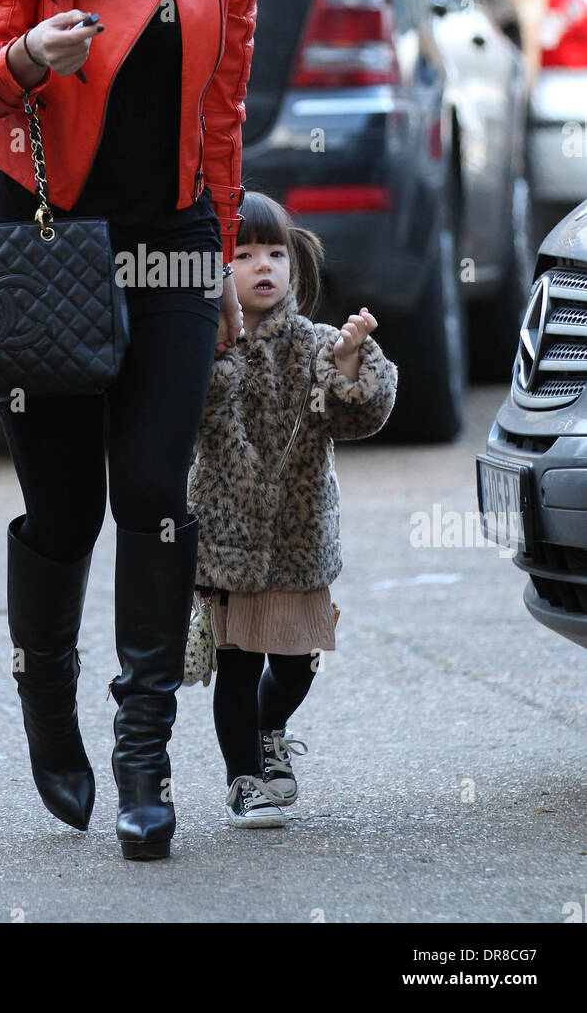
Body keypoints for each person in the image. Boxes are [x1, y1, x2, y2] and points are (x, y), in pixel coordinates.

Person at [0, 0, 260, 861]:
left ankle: (145, 752)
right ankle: (47, 698)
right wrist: (29, 56)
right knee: (66, 508)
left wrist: (223, 253)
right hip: (41, 236)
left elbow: (222, 111)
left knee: (155, 496)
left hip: (172, 245)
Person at [187, 192, 398, 826]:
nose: (262, 266)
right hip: (229, 545)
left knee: (299, 664)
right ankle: (244, 779)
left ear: (293, 264)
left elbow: (359, 414)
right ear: (219, 269)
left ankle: (268, 728)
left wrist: (351, 362)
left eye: (275, 253)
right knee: (239, 664)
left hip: (301, 542)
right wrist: (213, 364)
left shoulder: (314, 344)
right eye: (243, 253)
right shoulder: (205, 343)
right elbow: (182, 419)